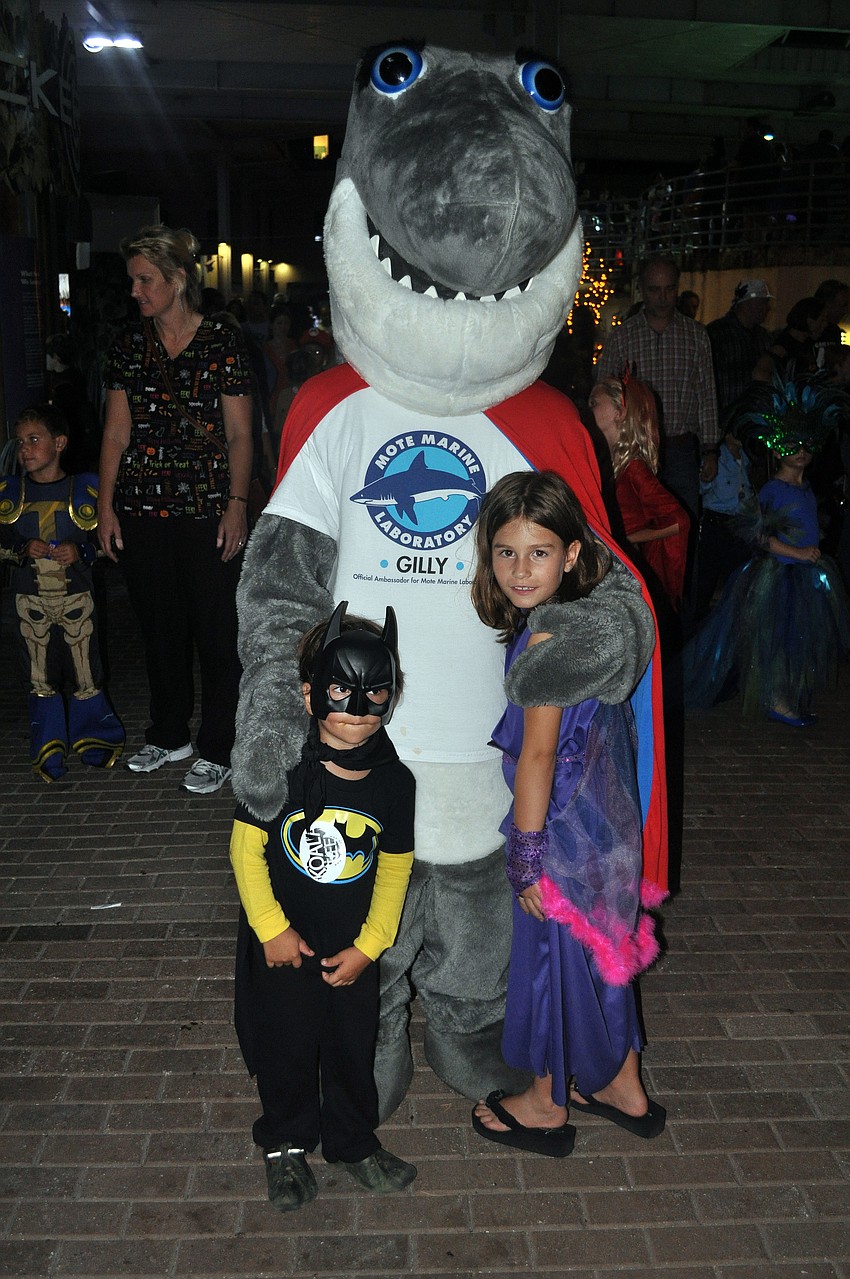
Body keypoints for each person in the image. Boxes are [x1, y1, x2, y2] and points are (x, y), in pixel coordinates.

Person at [469, 471, 666, 1156]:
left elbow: (538, 759)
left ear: (574, 553)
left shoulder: (548, 644)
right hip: (608, 833)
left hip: (560, 837)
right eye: (506, 552)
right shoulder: (604, 624)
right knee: (605, 956)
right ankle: (625, 1087)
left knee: (552, 963)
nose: (521, 570)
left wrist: (525, 853)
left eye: (539, 552)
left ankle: (546, 1103)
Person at [230, 604, 417, 1211]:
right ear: (311, 691)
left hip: (352, 946)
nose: (357, 713)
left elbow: (394, 866)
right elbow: (244, 847)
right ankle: (284, 1144)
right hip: (283, 943)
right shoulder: (280, 765)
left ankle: (352, 1141)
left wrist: (371, 945)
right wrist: (271, 929)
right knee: (285, 1044)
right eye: (341, 692)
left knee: (351, 1046)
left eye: (375, 695)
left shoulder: (394, 783)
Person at [97, 224, 253, 794]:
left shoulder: (221, 342)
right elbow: (115, 434)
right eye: (132, 281)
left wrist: (236, 506)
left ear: (177, 280)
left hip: (208, 509)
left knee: (216, 633)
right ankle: (169, 733)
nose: (135, 291)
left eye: (144, 280)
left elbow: (240, 435)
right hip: (142, 509)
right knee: (159, 629)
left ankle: (217, 745)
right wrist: (107, 508)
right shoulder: (128, 345)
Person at [683, 376, 850, 725]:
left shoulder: (806, 489)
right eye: (791, 444)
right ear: (776, 450)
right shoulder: (773, 489)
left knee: (798, 643)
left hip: (807, 574)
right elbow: (760, 538)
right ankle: (776, 699)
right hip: (780, 575)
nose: (799, 451)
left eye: (805, 444)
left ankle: (787, 696)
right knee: (777, 642)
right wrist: (799, 553)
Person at [0, 404, 124, 780]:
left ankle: (96, 740)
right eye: (20, 442)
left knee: (86, 672)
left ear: (59, 443)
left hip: (76, 600)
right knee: (38, 676)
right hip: (29, 602)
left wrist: (83, 550)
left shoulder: (86, 488)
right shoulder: (9, 493)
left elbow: (110, 541)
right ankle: (48, 748)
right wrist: (21, 548)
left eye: (34, 440)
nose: (25, 449)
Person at [596, 254, 720, 529]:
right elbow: (601, 389)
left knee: (683, 524)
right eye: (655, 290)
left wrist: (710, 449)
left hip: (680, 448)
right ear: (642, 289)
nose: (663, 297)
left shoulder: (696, 335)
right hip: (634, 450)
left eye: (669, 289)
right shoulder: (624, 336)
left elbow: (707, 395)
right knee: (637, 526)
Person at [589, 373, 690, 611]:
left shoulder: (633, 468)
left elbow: (680, 521)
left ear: (618, 412)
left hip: (627, 569)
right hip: (615, 564)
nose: (589, 409)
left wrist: (626, 539)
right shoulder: (612, 463)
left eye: (595, 403)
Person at [706, 280, 774, 422]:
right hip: (727, 419)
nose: (767, 309)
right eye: (763, 303)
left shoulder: (763, 336)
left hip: (758, 417)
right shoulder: (716, 334)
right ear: (748, 303)